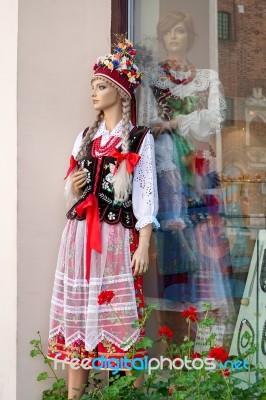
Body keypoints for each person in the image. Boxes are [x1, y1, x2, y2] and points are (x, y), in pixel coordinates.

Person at [47, 37, 159, 399]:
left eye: (100, 86)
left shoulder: (140, 139)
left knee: (121, 320)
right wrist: (75, 185)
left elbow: (145, 197)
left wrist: (143, 245)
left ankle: (130, 394)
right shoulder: (85, 137)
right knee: (79, 317)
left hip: (115, 240)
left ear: (120, 91)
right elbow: (75, 189)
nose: (93, 94)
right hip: (80, 238)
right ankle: (74, 396)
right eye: (93, 87)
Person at [138, 11, 235, 341]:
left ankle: (206, 341)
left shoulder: (206, 77)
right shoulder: (152, 77)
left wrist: (181, 122)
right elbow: (144, 121)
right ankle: (172, 343)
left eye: (180, 31)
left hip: (199, 166)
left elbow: (215, 119)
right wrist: (165, 129)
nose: (174, 37)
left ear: (190, 37)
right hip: (168, 172)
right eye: (168, 33)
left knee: (204, 240)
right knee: (174, 250)